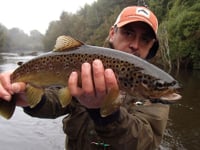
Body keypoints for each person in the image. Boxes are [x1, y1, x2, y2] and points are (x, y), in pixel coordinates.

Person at [0, 6, 170, 150]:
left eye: (145, 39)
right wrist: (28, 98)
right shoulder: (85, 64)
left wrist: (103, 112)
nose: (135, 44)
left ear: (152, 47)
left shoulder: (157, 90)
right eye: (128, 33)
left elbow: (145, 143)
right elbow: (55, 99)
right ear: (112, 33)